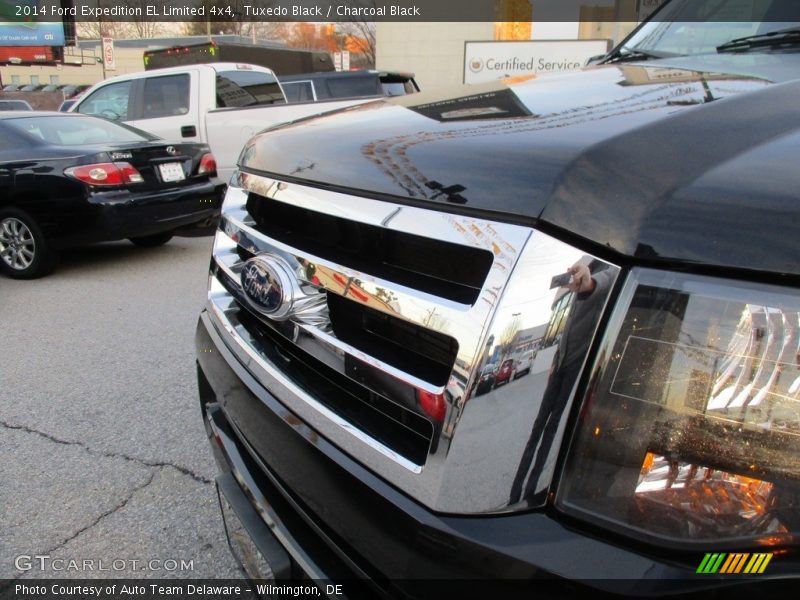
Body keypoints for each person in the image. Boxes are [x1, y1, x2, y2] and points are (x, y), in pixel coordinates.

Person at [509, 258, 614, 506]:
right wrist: (555, 359)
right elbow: (567, 326)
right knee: (538, 425)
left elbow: (600, 283)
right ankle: (515, 492)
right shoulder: (588, 265)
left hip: (577, 364)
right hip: (561, 363)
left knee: (552, 427)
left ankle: (531, 490)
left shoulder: (610, 272)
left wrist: (588, 282)